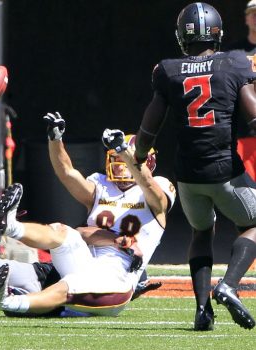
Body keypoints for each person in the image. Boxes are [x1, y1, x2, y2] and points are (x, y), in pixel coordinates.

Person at [134, 2, 256, 330]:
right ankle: (229, 284)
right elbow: (254, 114)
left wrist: (139, 154)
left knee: (202, 232)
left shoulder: (169, 71)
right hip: (225, 171)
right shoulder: (234, 63)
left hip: (188, 176)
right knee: (254, 224)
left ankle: (202, 311)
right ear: (217, 32)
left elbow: (150, 125)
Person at [0, 117, 175, 318]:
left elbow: (148, 185)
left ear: (148, 162)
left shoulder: (158, 187)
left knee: (69, 286)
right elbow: (67, 173)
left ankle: (8, 302)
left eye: (123, 161)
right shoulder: (101, 185)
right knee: (62, 231)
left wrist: (124, 150)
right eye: (115, 160)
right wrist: (55, 139)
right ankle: (12, 226)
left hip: (115, 278)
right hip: (84, 259)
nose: (119, 166)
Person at [226, 0, 256, 181]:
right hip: (243, 135)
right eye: (252, 12)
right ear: (246, 18)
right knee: (248, 193)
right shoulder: (234, 53)